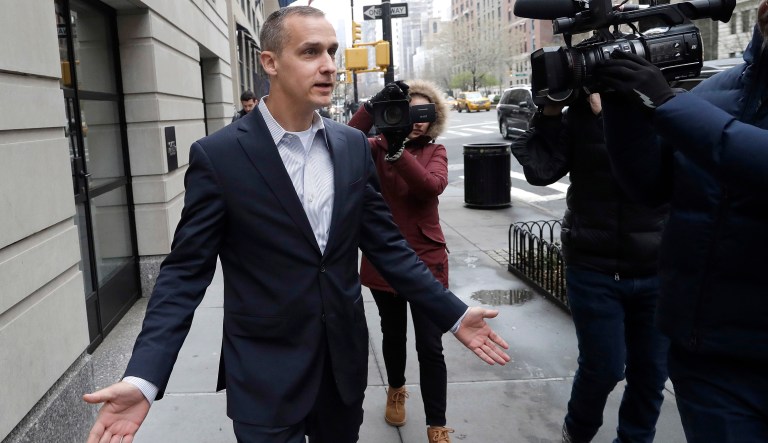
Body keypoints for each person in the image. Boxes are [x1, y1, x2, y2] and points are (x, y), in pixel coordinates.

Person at [82, 6, 510, 443]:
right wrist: (144, 378)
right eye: (310, 52)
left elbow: (389, 248)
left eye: (332, 51)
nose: (328, 65)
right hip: (264, 374)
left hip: (341, 369)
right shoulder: (220, 156)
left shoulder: (351, 147)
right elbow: (184, 273)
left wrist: (452, 315)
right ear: (270, 62)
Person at [592, 3, 768, 441]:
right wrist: (622, 104)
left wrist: (668, 104)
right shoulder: (712, 93)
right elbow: (649, 186)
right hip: (712, 360)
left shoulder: (689, 106)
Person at [511, 90, 670, 443]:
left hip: (654, 266)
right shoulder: (578, 117)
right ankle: (577, 434)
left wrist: (608, 119)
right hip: (593, 266)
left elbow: (658, 167)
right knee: (604, 368)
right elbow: (541, 170)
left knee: (651, 374)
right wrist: (551, 110)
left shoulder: (659, 107)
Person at [348, 80, 455, 442]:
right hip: (385, 262)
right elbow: (342, 139)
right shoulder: (373, 148)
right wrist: (372, 106)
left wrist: (399, 152)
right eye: (410, 113)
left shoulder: (435, 151)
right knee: (393, 335)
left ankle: (436, 424)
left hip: (427, 261)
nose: (417, 121)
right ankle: (396, 389)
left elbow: (430, 186)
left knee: (431, 345)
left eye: (425, 114)